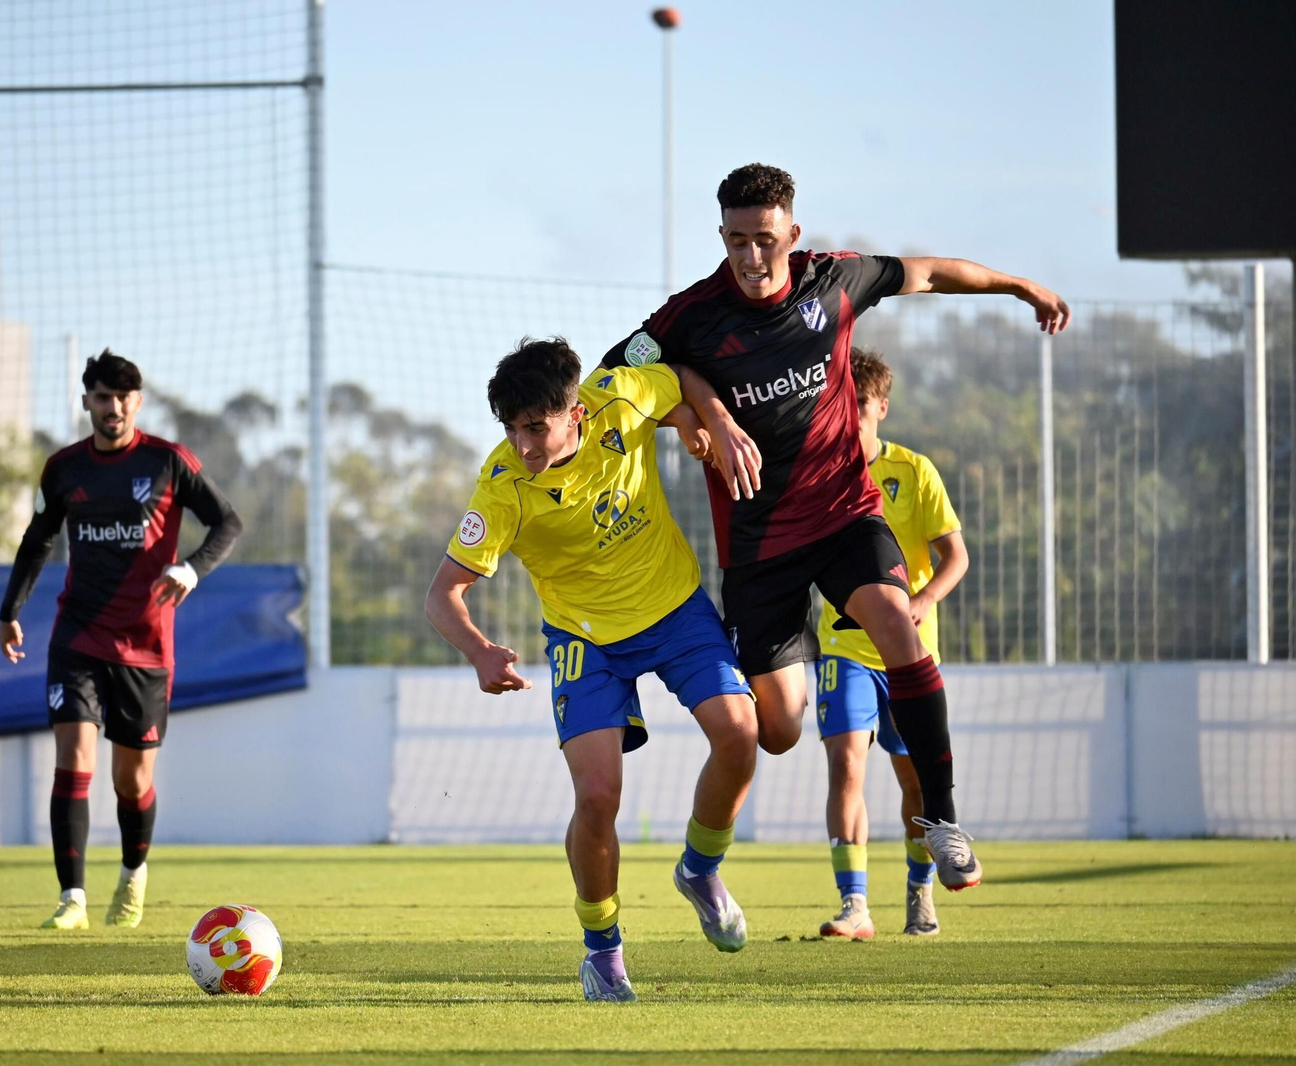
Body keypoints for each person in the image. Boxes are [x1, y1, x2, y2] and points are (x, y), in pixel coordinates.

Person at [602, 163, 1070, 890]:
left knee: (899, 629)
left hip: (846, 514)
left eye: (764, 240)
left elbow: (932, 272)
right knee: (780, 731)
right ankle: (703, 860)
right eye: (736, 243)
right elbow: (615, 375)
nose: (752, 259)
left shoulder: (836, 282)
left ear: (792, 232)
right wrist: (697, 414)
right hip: (759, 549)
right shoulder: (690, 316)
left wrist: (1018, 286)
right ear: (721, 239)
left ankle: (942, 822)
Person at [425, 337, 757, 1003]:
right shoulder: (503, 488)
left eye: (534, 427)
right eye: (511, 429)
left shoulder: (621, 397)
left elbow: (682, 376)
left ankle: (699, 869)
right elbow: (441, 594)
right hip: (584, 640)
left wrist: (710, 419)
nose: (521, 444)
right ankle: (602, 951)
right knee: (598, 795)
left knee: (741, 736)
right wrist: (480, 651)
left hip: (675, 611)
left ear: (574, 412)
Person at [0, 349, 242, 930]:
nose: (114, 407)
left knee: (130, 782)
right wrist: (10, 610)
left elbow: (227, 521)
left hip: (146, 643)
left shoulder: (168, 462)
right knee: (73, 758)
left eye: (124, 397)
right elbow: (37, 540)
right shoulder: (63, 470)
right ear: (86, 401)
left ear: (139, 402)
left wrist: (190, 568)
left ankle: (133, 879)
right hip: (78, 634)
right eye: (103, 396)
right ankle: (72, 900)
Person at [814, 349, 968, 940]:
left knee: (914, 782)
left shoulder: (914, 470)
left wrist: (924, 603)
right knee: (845, 765)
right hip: (845, 647)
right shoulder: (820, 476)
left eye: (859, 402)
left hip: (909, 654)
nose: (848, 413)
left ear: (881, 406)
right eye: (838, 402)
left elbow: (956, 556)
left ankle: (919, 890)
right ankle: (855, 905)